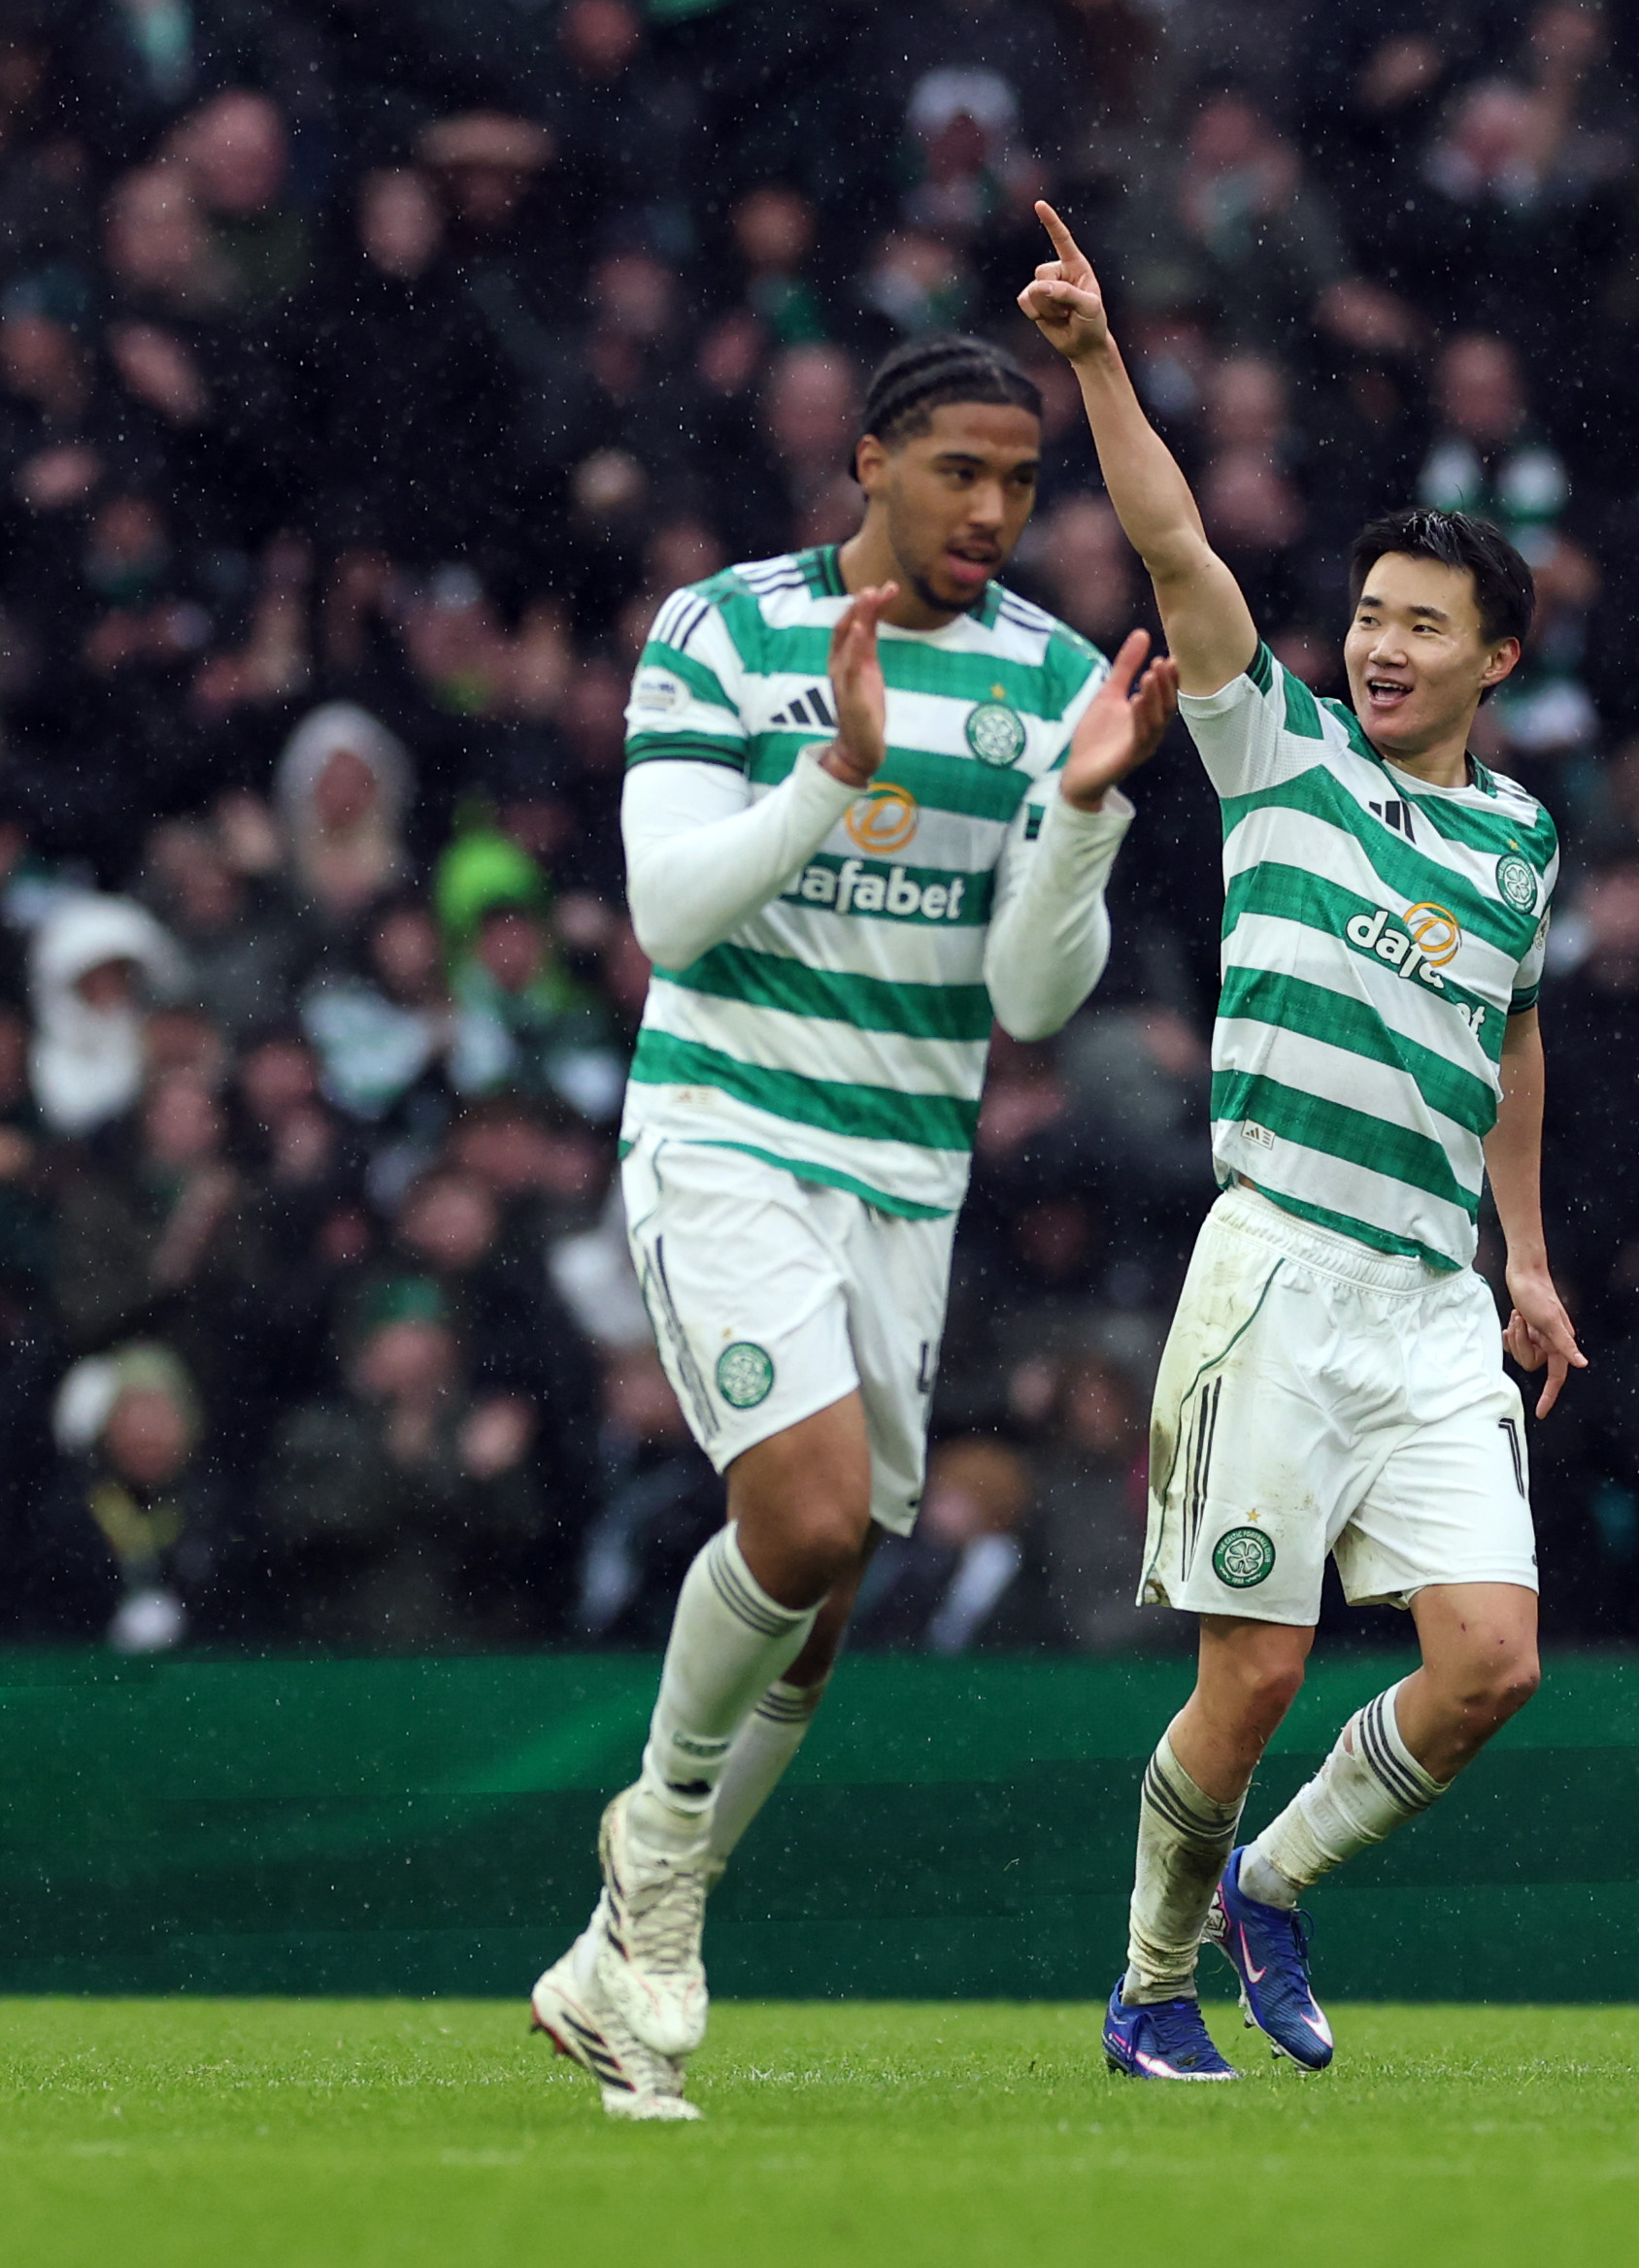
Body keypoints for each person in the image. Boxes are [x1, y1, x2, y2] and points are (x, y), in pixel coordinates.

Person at [526, 333, 1183, 2122]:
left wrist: (1081, 810)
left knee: (816, 1610)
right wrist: (830, 768)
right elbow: (669, 914)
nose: (991, 508)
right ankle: (659, 1855)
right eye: (959, 469)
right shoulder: (723, 630)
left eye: (1019, 482)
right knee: (808, 1516)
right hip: (726, 1135)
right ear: (871, 463)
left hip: (905, 1180)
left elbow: (1031, 1000)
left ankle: (612, 1968)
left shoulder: (1052, 679)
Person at [1019, 203, 1586, 2082]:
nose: (1383, 647)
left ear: (1497, 660)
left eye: (1425, 625)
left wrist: (1525, 1259)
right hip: (1278, 1267)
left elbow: (1511, 1033)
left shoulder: (1520, 842)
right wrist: (1100, 360)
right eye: (1370, 617)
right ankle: (1147, 1984)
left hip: (1429, 1297)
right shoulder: (1279, 749)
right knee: (1250, 1673)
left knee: (1491, 1660)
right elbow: (1176, 545)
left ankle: (1270, 1883)